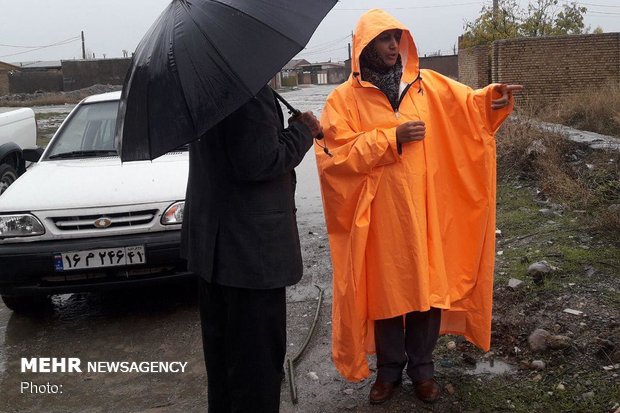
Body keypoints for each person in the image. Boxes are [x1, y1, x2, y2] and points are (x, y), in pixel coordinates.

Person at [315, 9, 523, 405]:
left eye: (397, 38)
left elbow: (468, 108)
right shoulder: (343, 100)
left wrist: (492, 100)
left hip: (427, 209)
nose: (394, 46)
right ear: (365, 46)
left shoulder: (426, 86)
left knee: (426, 292)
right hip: (379, 217)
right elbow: (334, 156)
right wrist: (390, 138)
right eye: (384, 39)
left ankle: (423, 369)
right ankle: (389, 371)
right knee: (388, 294)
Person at [181, 85, 322, 412]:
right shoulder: (247, 92)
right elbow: (260, 160)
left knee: (224, 364)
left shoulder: (207, 90)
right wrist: (303, 131)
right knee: (255, 370)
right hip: (251, 257)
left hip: (216, 250)